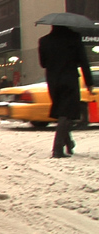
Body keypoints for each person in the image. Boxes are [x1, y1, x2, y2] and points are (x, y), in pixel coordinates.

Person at [39, 25, 93, 158]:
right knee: (66, 112)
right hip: (69, 80)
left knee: (62, 112)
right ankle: (57, 148)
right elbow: (84, 62)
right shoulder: (74, 38)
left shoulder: (44, 40)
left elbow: (43, 63)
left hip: (53, 81)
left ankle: (69, 144)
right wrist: (89, 82)